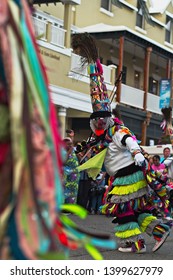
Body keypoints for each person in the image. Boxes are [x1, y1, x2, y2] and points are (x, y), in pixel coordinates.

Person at [72, 32, 171, 254]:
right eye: (95, 121)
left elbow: (127, 138)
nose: (99, 123)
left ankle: (135, 242)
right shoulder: (100, 137)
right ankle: (159, 230)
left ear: (107, 118)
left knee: (122, 209)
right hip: (121, 175)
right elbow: (92, 153)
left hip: (129, 174)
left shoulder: (116, 129)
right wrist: (82, 148)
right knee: (132, 211)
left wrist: (136, 152)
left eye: (101, 120)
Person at [63, 137, 80, 205]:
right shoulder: (62, 151)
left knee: (73, 192)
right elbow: (62, 161)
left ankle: (71, 206)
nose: (70, 145)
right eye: (68, 144)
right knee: (66, 191)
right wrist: (69, 152)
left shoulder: (73, 151)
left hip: (74, 176)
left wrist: (78, 155)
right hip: (67, 175)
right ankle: (64, 207)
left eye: (71, 144)